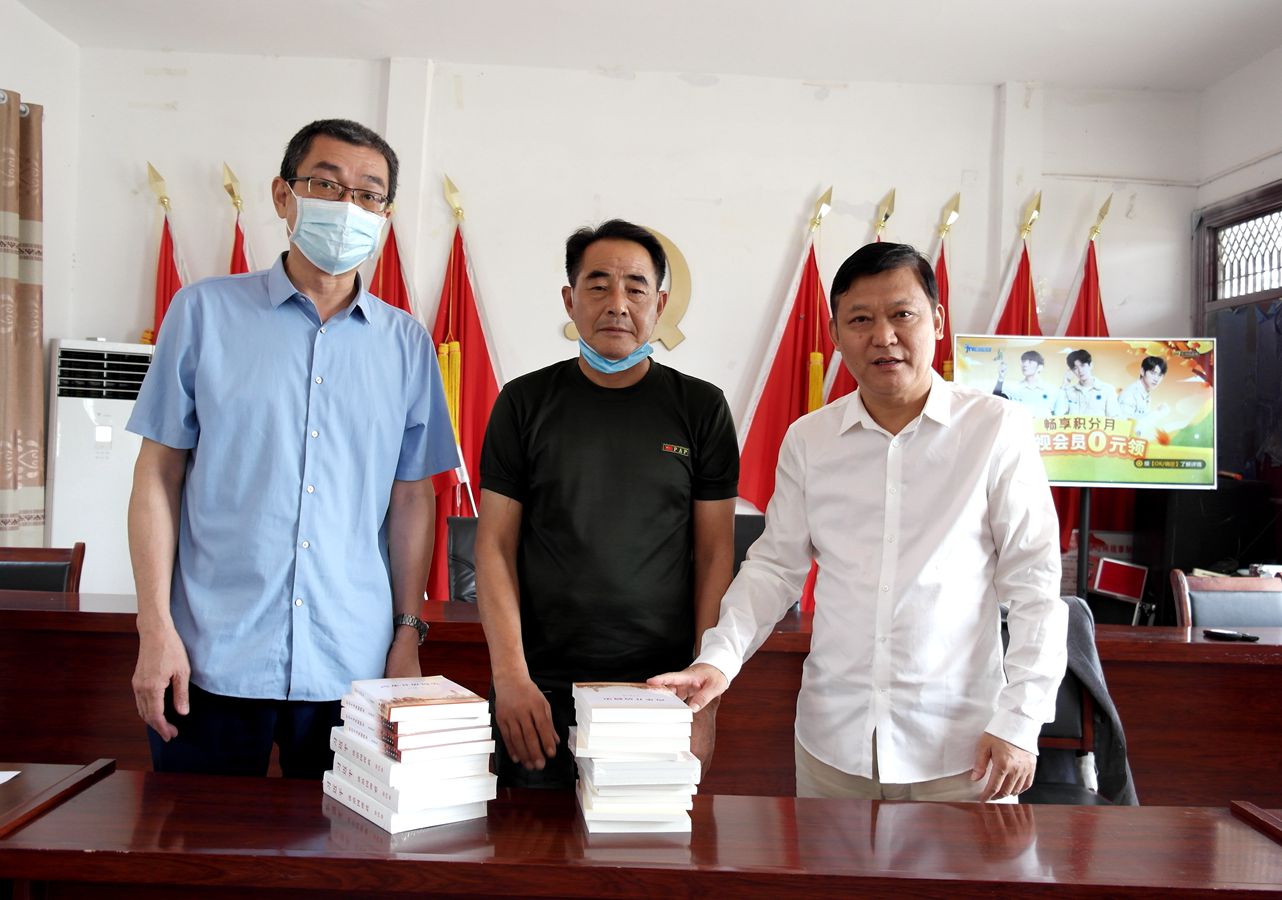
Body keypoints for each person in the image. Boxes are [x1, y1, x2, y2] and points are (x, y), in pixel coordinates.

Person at [651, 242, 1067, 803]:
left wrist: (1021, 720)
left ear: (937, 321)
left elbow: (1034, 586)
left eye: (902, 314)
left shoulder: (996, 430)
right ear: (835, 333)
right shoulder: (810, 440)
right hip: (835, 745)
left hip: (964, 750)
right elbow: (775, 568)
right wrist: (718, 660)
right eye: (861, 319)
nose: (884, 336)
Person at [127, 119, 458, 778]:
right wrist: (154, 626)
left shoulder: (405, 345)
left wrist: (407, 634)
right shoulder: (203, 314)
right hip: (209, 659)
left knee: (346, 845)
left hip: (352, 667)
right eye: (326, 185)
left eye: (368, 194)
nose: (347, 207)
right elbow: (157, 477)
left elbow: (412, 499)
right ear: (283, 195)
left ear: (384, 215)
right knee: (198, 841)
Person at [475, 219, 739, 789]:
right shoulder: (523, 403)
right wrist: (511, 677)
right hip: (539, 687)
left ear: (660, 304)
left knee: (646, 843)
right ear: (569, 300)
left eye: (635, 288)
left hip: (661, 689)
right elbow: (493, 545)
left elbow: (716, 555)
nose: (617, 303)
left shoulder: (701, 408)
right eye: (598, 285)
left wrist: (705, 698)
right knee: (529, 841)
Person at [1051, 348, 1119, 416]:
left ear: (1091, 365)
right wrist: (1065, 383)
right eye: (1075, 368)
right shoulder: (1068, 392)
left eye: (1082, 365)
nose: (1080, 370)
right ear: (1071, 371)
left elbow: (1115, 417)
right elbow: (1057, 415)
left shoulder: (1107, 390)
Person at [994, 350, 1055, 416]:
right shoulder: (1013, 388)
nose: (1025, 364)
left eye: (1030, 361)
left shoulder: (1050, 390)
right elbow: (995, 402)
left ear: (1040, 367)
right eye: (1023, 361)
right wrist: (1001, 378)